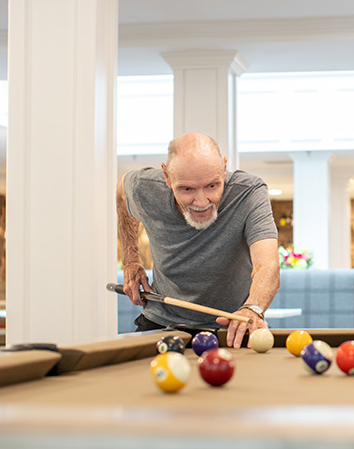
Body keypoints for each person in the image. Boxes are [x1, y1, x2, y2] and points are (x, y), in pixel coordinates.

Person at [117, 132, 280, 348]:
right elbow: (121, 194)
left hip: (233, 326)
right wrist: (130, 261)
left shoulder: (249, 193)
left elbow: (268, 264)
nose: (202, 201)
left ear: (223, 167)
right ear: (166, 177)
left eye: (212, 186)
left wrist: (253, 308)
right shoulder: (144, 187)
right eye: (187, 189)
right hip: (161, 323)